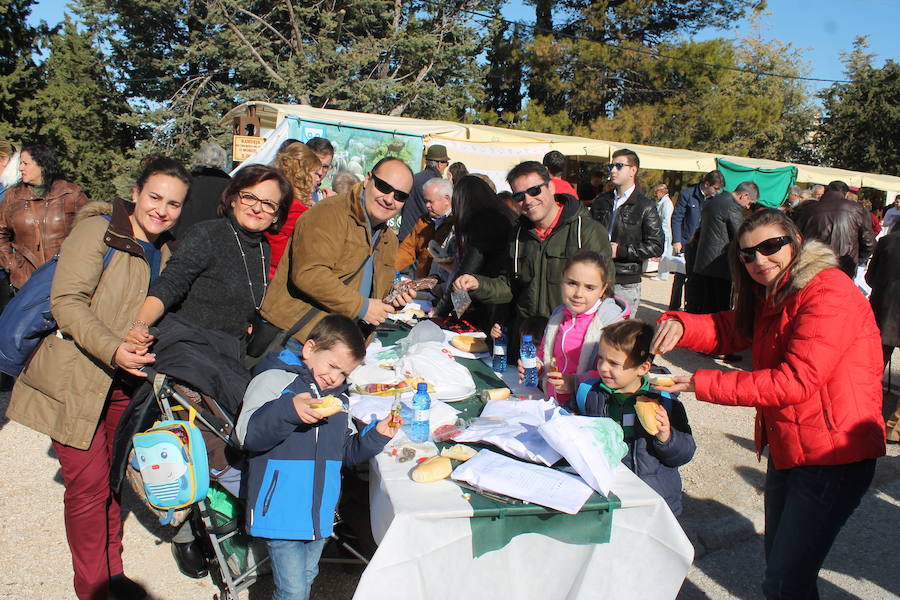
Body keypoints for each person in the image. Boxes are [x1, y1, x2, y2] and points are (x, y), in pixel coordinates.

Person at [652, 208, 885, 598]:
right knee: (783, 568)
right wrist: (682, 324)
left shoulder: (827, 292)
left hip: (833, 456)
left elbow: (796, 382)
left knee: (784, 579)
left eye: (770, 246)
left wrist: (700, 383)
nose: (759, 260)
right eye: (747, 254)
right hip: (792, 446)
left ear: (794, 241)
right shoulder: (779, 291)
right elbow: (733, 328)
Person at [7, 156, 190, 600]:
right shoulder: (99, 229)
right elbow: (67, 301)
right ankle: (92, 588)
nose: (162, 210)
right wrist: (113, 347)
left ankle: (113, 576)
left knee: (110, 484)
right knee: (87, 489)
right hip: (77, 376)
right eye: (154, 197)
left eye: (174, 204)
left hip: (122, 385)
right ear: (135, 194)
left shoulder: (164, 251)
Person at [236, 314, 401, 600]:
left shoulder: (339, 399)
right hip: (281, 508)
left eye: (344, 374)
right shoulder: (275, 380)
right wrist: (288, 411)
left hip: (319, 511)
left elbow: (346, 452)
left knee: (308, 576)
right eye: (332, 366)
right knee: (293, 590)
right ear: (310, 349)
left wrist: (377, 435)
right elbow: (247, 435)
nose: (335, 378)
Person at [453, 161, 613, 350]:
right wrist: (477, 284)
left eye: (535, 191)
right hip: (525, 342)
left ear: (551, 187)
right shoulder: (517, 234)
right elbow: (508, 286)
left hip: (568, 344)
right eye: (520, 196)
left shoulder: (587, 231)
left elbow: (606, 292)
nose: (528, 200)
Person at [259, 157, 416, 349]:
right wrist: (362, 307)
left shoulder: (388, 239)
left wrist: (395, 296)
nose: (389, 199)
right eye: (383, 186)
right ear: (367, 180)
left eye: (400, 196)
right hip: (298, 338)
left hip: (341, 348)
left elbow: (373, 290)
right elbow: (309, 274)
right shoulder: (329, 213)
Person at [573, 319, 695, 515]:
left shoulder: (665, 402)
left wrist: (667, 437)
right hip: (607, 496)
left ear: (643, 368)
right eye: (601, 358)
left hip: (653, 501)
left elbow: (685, 453)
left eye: (614, 363)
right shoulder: (588, 394)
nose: (603, 367)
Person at [538, 250, 626, 405]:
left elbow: (619, 372)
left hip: (589, 409)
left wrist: (576, 382)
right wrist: (536, 366)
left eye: (589, 287)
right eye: (572, 283)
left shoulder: (610, 325)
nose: (578, 293)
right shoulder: (559, 314)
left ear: (603, 290)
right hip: (552, 403)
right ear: (562, 280)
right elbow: (545, 352)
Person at [0, 143, 89, 289]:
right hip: (26, 284)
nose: (20, 168)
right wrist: (13, 265)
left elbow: (92, 231)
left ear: (42, 164)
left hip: (67, 281)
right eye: (20, 163)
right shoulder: (13, 196)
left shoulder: (71, 194)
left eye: (25, 163)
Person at [433, 175, 516, 331]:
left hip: (494, 303)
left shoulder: (482, 223)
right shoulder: (502, 215)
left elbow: (466, 273)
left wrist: (442, 314)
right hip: (504, 297)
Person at [590, 148, 664, 314]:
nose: (613, 170)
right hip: (597, 276)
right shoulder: (601, 201)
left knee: (619, 337)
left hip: (625, 282)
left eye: (619, 166)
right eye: (611, 166)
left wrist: (621, 250)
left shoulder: (646, 207)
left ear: (633, 170)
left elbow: (656, 245)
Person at [687, 181, 757, 315]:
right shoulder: (732, 207)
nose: (748, 206)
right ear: (745, 195)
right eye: (750, 202)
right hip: (720, 267)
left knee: (703, 309)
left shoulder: (714, 200)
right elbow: (741, 237)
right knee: (719, 313)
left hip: (702, 263)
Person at [794, 180, 875, 277]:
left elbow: (796, 239)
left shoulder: (809, 210)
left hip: (814, 266)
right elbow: (869, 243)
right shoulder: (858, 209)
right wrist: (855, 259)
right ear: (846, 194)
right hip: (844, 267)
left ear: (826, 191)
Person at [865, 228, 900, 442]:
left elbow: (870, 277)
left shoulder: (888, 241)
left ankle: (864, 414)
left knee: (872, 368)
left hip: (884, 311)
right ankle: (894, 428)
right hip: (885, 312)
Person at [268, 142, 322, 276]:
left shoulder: (278, 197)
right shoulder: (295, 208)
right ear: (301, 174)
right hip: (279, 280)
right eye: (315, 174)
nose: (318, 180)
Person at [395, 177, 454, 279]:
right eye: (425, 201)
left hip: (443, 283)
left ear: (446, 199)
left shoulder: (456, 224)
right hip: (422, 281)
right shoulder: (424, 221)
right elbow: (408, 248)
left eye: (431, 201)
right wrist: (390, 269)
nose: (427, 205)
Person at [172, 143, 230, 238]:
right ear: (223, 161)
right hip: (218, 239)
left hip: (183, 238)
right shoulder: (230, 186)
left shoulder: (184, 182)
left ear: (198, 159)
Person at [398, 144, 449, 241]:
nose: (446, 167)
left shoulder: (413, 178)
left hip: (404, 236)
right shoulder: (438, 185)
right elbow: (439, 214)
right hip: (421, 240)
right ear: (440, 163)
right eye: (447, 163)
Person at [671, 170, 725, 256]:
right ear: (707, 184)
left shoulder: (716, 200)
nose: (718, 191)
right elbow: (677, 218)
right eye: (716, 188)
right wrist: (677, 240)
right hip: (685, 243)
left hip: (705, 246)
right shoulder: (687, 194)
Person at [651, 183, 674, 281]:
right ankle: (662, 274)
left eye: (656, 192)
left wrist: (661, 232)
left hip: (665, 232)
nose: (655, 195)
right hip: (663, 231)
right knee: (664, 253)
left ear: (661, 192)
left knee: (665, 253)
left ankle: (663, 275)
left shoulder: (666, 204)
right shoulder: (662, 202)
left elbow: (666, 220)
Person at [306, 137, 334, 202]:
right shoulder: (288, 193)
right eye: (316, 164)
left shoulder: (322, 197)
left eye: (325, 167)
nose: (320, 172)